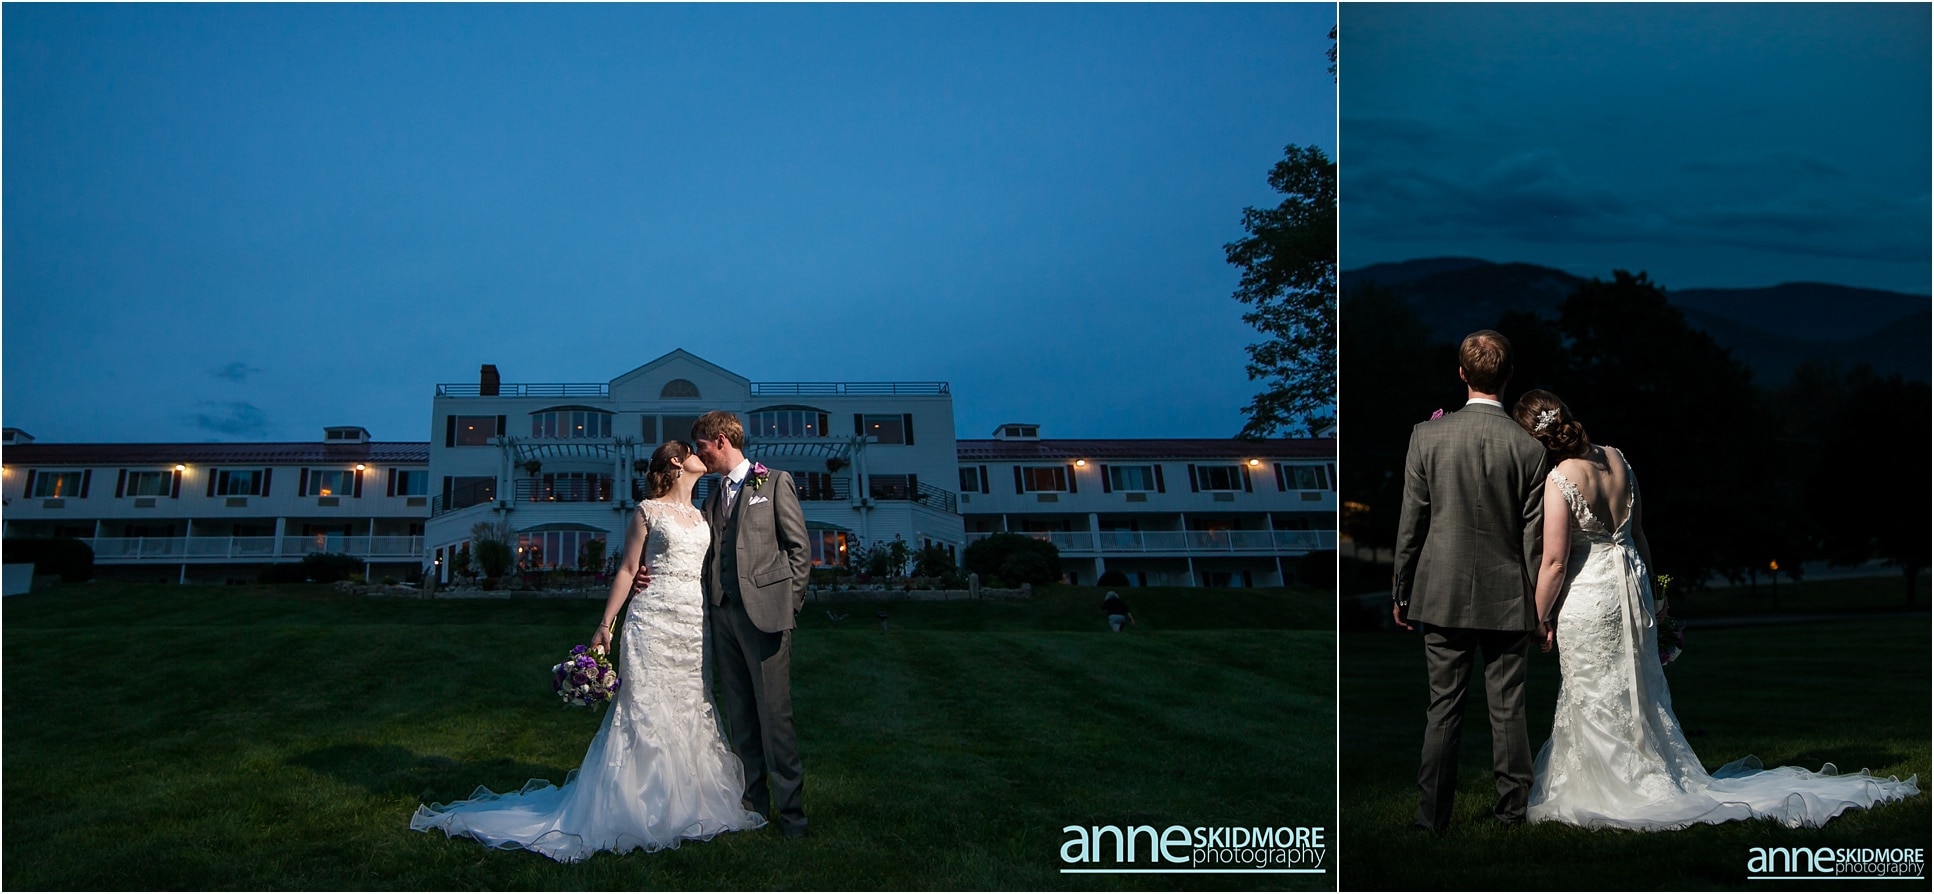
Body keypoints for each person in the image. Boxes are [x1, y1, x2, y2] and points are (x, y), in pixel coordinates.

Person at [1513, 391, 1918, 829]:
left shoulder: (1560, 482)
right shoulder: (1617, 459)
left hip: (1591, 599)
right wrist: (1653, 592)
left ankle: (1611, 786)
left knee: (1596, 690)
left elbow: (1554, 562)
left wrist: (1538, 617)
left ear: (1538, 438)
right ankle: (1650, 772)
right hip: (1630, 588)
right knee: (1637, 690)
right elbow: (1639, 535)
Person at [410, 441, 766, 861]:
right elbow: (629, 569)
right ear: (675, 461)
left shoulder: (702, 514)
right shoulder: (646, 511)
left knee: (691, 704)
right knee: (645, 709)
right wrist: (605, 625)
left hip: (692, 625)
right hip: (650, 621)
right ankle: (637, 806)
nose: (700, 458)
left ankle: (692, 801)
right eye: (692, 451)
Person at [1391, 330, 1550, 833]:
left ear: (1462, 374)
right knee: (1509, 710)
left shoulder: (1426, 435)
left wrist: (1401, 586)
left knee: (1443, 710)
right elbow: (1535, 541)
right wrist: (1541, 608)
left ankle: (1430, 819)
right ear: (1508, 376)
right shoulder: (1529, 447)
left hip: (1441, 593)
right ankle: (1512, 814)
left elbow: (1411, 521)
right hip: (1509, 597)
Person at [639, 411, 812, 838]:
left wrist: (787, 606)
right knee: (740, 718)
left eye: (701, 447)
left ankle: (792, 818)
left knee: (775, 718)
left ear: (719, 440)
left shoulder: (773, 482)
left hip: (767, 617)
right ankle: (753, 808)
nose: (698, 455)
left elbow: (799, 551)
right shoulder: (711, 500)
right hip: (722, 619)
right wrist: (650, 574)